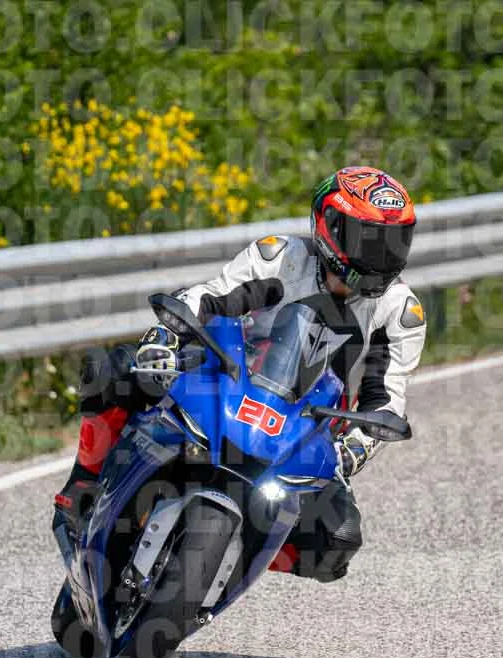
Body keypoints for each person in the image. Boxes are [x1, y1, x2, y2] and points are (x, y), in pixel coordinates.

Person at [53, 165, 426, 582]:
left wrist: (354, 448)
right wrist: (164, 338)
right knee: (114, 370)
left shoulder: (400, 312)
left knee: (335, 542)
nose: (382, 258)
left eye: (394, 243)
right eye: (369, 241)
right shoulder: (281, 257)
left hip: (307, 431)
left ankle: (227, 566)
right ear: (330, 227)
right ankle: (84, 485)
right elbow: (209, 297)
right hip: (225, 382)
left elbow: (386, 400)